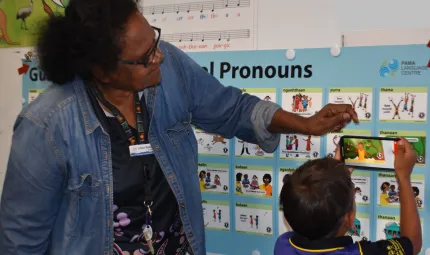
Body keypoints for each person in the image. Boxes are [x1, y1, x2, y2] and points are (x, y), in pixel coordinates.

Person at [0, 0, 358, 254]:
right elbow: (20, 240)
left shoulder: (169, 68)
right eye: (144, 59)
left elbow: (232, 109)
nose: (158, 57)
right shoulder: (45, 126)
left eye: (155, 41)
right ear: (102, 70)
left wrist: (305, 124)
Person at [275, 137, 422, 255]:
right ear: (349, 218)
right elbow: (412, 243)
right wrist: (403, 177)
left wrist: (335, 178)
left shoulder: (284, 244)